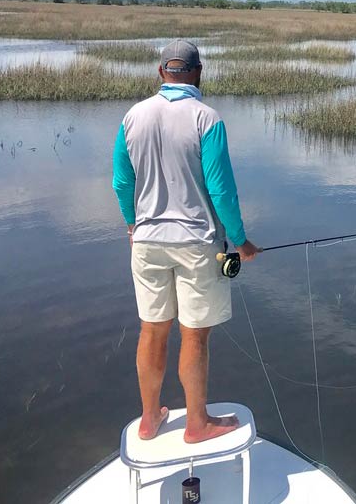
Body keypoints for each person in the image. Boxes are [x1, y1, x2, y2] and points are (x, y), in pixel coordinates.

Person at [112, 39, 261, 443]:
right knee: (193, 334)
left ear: (161, 73)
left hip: (145, 241)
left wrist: (132, 223)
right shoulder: (207, 119)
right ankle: (196, 424)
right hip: (198, 243)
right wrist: (242, 241)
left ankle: (148, 419)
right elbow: (221, 190)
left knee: (152, 330)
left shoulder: (132, 116)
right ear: (198, 73)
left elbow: (121, 182)